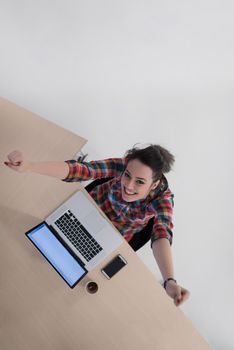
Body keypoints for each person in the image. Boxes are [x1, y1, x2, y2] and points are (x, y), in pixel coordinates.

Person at [4, 145, 190, 306]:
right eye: (127, 176)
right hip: (85, 209)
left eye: (140, 182)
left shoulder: (162, 199)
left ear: (155, 183)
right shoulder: (123, 165)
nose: (129, 185)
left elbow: (162, 233)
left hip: (111, 235)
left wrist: (169, 281)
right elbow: (82, 170)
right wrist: (29, 166)